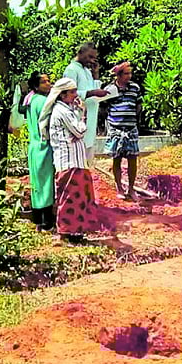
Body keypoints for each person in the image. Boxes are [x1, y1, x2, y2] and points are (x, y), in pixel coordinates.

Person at [39, 77, 95, 243]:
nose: (75, 95)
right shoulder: (61, 111)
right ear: (62, 95)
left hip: (76, 160)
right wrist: (83, 114)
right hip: (68, 161)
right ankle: (64, 233)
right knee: (69, 197)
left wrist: (78, 114)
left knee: (80, 197)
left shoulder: (68, 110)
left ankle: (76, 232)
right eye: (72, 92)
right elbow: (79, 131)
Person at [63, 43, 108, 167]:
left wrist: (96, 74)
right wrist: (92, 92)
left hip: (90, 119)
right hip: (79, 118)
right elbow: (69, 93)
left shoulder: (87, 71)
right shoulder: (72, 69)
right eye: (89, 57)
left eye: (94, 58)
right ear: (80, 53)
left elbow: (95, 90)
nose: (91, 60)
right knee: (78, 162)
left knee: (88, 160)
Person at [104, 61, 142, 200]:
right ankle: (119, 187)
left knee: (132, 159)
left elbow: (139, 105)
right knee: (116, 159)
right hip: (115, 128)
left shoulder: (135, 88)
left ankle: (131, 189)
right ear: (118, 75)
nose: (129, 76)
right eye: (126, 73)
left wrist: (134, 118)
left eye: (130, 73)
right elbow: (103, 106)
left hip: (131, 128)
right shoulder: (110, 89)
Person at [25, 71, 55, 231]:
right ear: (36, 86)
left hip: (33, 147)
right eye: (44, 82)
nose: (49, 84)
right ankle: (47, 222)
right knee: (46, 185)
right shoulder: (43, 101)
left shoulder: (30, 100)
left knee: (36, 184)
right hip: (44, 147)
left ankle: (37, 219)